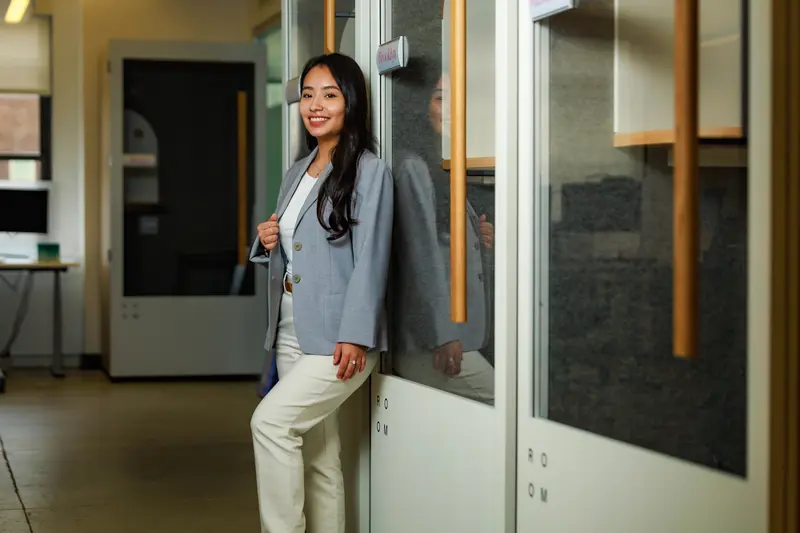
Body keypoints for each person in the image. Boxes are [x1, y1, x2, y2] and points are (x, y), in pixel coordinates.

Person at [248, 53, 393, 533]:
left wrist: (356, 334)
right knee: (320, 455)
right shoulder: (298, 170)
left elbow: (371, 259)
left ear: (350, 103)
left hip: (337, 338)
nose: (315, 105)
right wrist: (267, 240)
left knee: (270, 424)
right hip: (292, 328)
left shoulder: (369, 172)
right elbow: (297, 245)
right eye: (308, 94)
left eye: (329, 95)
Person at [390, 74, 495, 405]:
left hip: (451, 335)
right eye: (439, 98)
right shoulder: (413, 167)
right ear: (419, 107)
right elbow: (420, 261)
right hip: (431, 341)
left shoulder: (441, 165)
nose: (450, 109)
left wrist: (476, 239)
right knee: (502, 402)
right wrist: (443, 336)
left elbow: (438, 243)